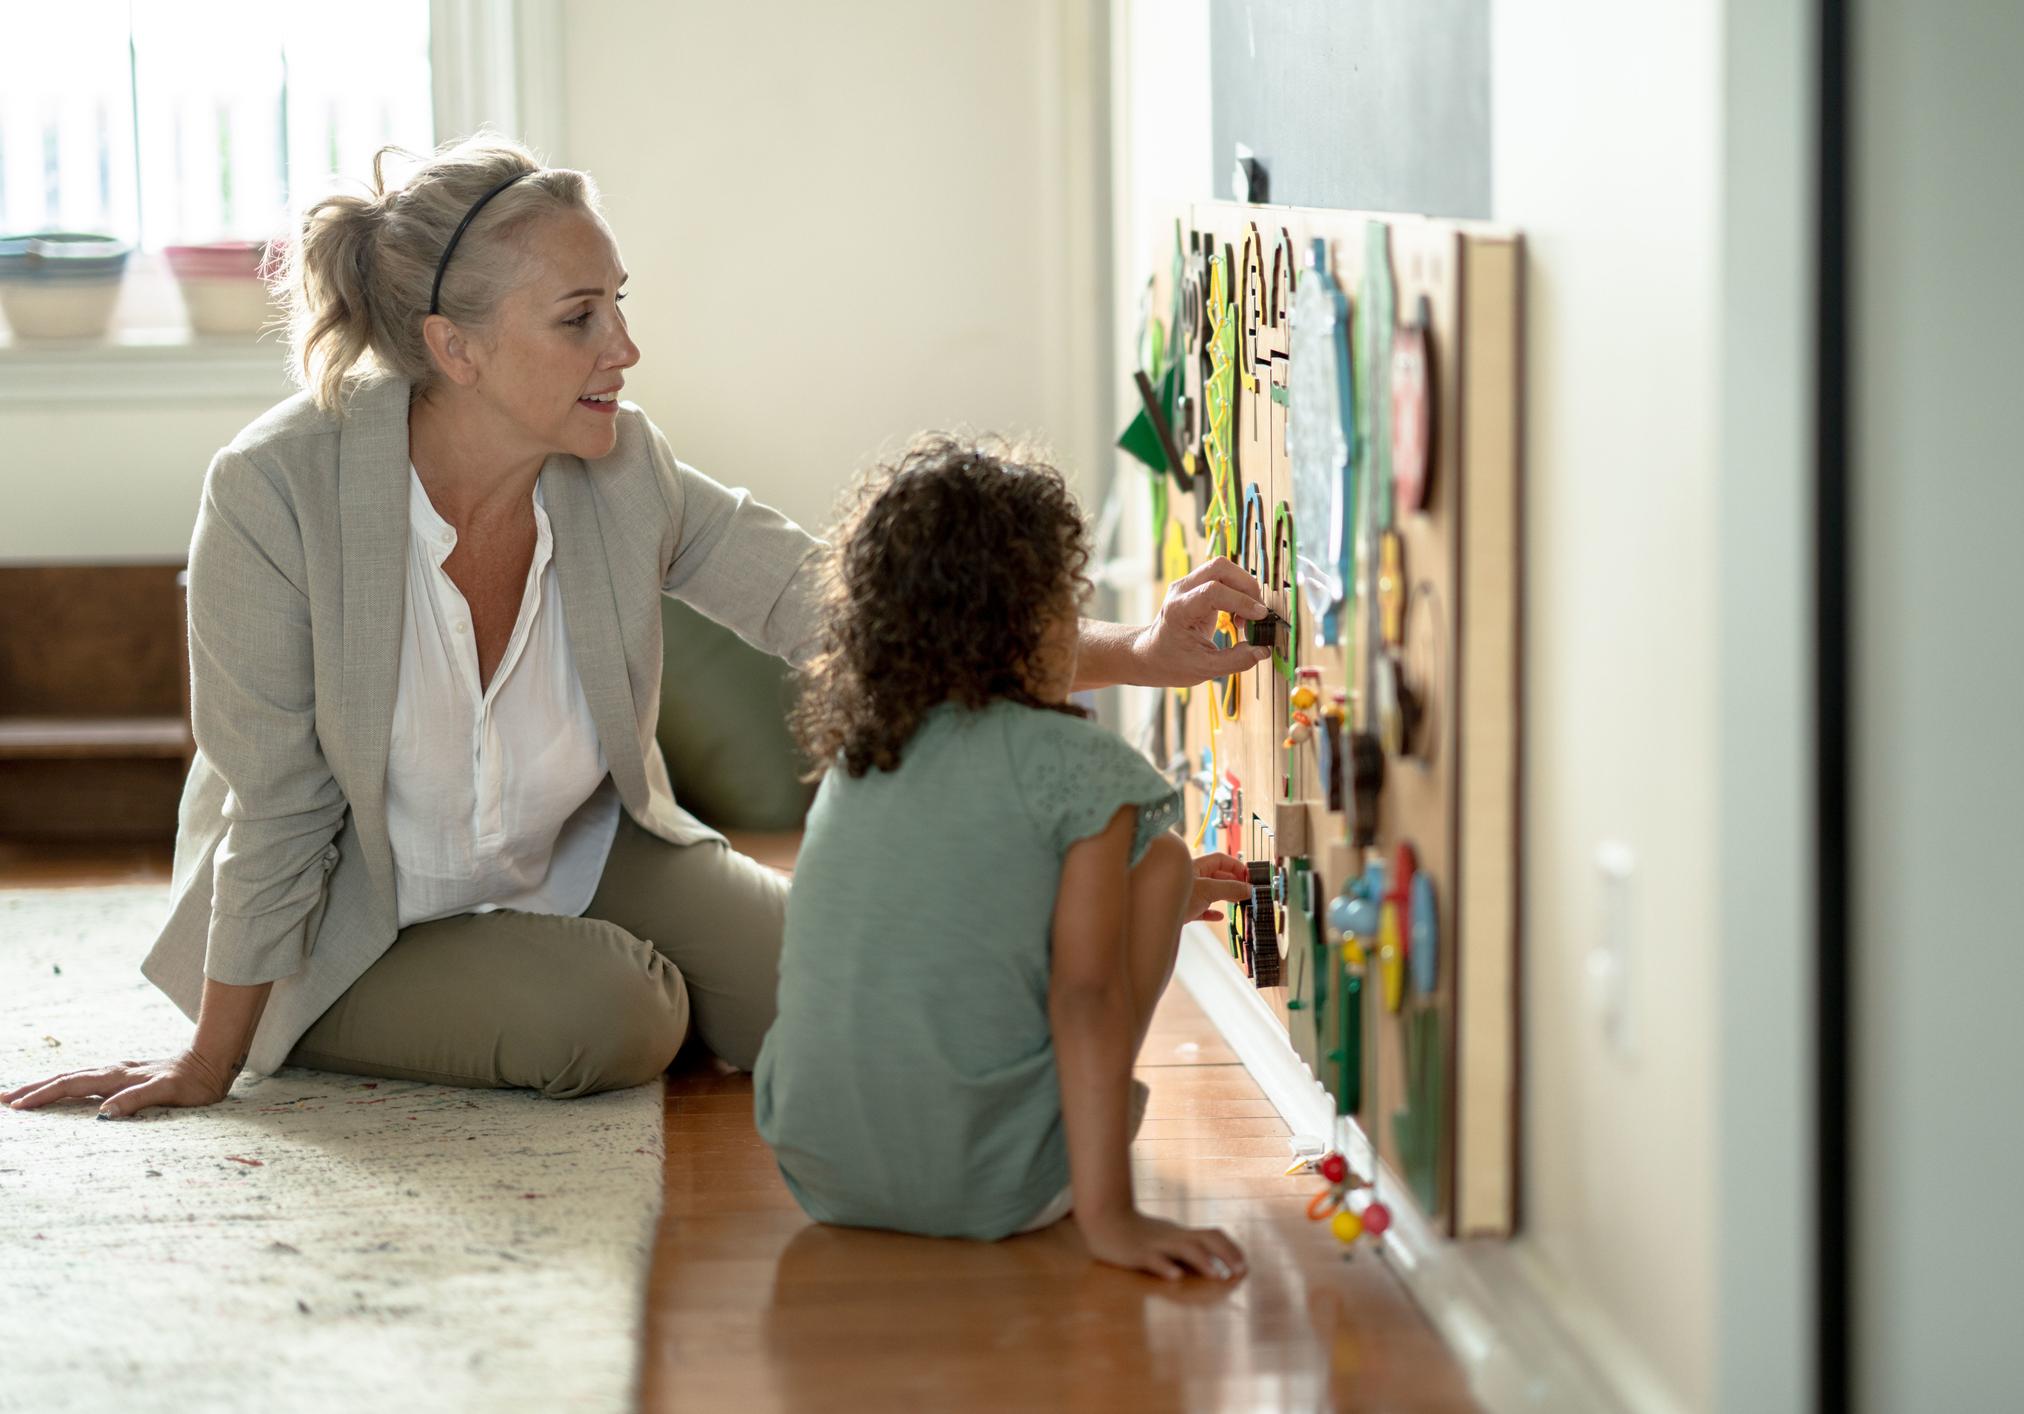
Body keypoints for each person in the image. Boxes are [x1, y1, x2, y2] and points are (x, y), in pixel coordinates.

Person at [2, 136, 1270, 1121]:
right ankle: (388, 1008)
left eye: (619, 301)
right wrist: (217, 1060)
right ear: (455, 348)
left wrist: (1136, 652)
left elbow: (844, 608)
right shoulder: (272, 493)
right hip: (358, 901)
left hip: (584, 846)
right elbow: (277, 810)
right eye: (580, 318)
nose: (628, 344)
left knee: (839, 1010)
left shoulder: (620, 466)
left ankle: (575, 963)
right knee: (614, 1017)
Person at [753, 436, 1252, 1282]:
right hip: (991, 1192)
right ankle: (1086, 1191)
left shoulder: (865, 752)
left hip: (821, 1175)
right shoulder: (1081, 770)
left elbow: (975, 906)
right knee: (1162, 860)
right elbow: (1084, 996)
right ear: (1042, 618)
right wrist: (1113, 1219)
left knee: (1144, 883)